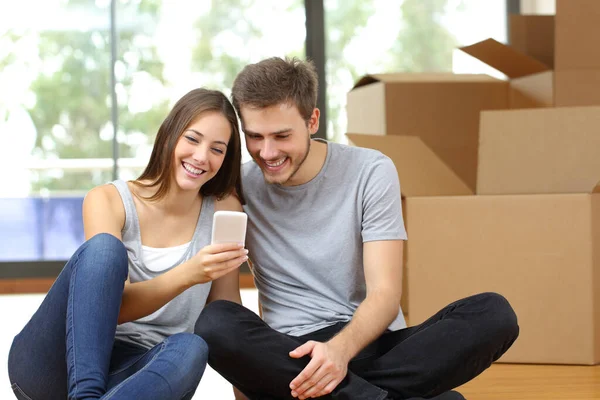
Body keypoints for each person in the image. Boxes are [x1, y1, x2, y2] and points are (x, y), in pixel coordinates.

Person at [195, 57, 520, 400]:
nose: (268, 151)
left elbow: (385, 294)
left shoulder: (370, 171)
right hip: (288, 353)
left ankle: (339, 392)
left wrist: (338, 352)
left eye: (281, 135)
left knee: (493, 313)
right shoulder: (238, 188)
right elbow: (229, 312)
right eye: (255, 137)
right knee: (215, 323)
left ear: (313, 120)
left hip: (367, 339)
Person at [8, 88, 249, 400]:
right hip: (55, 366)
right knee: (105, 250)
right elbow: (109, 307)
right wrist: (190, 273)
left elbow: (228, 315)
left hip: (138, 377)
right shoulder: (108, 200)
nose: (201, 156)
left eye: (217, 149)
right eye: (192, 139)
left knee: (192, 347)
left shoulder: (224, 209)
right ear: (169, 136)